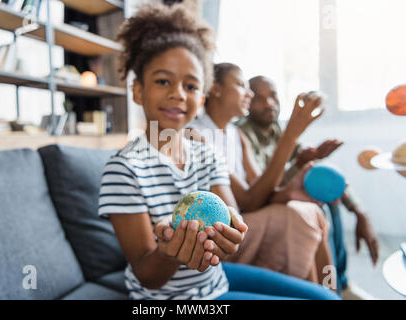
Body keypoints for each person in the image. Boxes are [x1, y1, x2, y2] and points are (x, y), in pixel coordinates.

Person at [98, 3, 339, 300]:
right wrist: (170, 252)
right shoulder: (124, 169)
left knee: (326, 297)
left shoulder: (206, 153)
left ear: (201, 100)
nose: (177, 93)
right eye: (163, 81)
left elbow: (232, 217)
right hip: (171, 300)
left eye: (191, 85)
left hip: (215, 281)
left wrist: (232, 236)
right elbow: (148, 275)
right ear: (137, 91)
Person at [188, 63, 334, 286]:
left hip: (248, 215)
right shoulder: (196, 134)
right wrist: (290, 136)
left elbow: (260, 189)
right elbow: (249, 200)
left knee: (310, 209)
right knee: (297, 217)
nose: (249, 94)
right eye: (240, 85)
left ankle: (330, 290)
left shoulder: (236, 134)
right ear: (215, 89)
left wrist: (289, 190)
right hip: (224, 230)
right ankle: (316, 290)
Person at [237, 75, 379, 298]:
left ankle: (341, 283)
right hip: (259, 207)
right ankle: (332, 287)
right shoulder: (242, 134)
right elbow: (263, 189)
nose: (269, 104)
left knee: (328, 197)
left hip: (281, 197)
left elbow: (313, 170)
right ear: (246, 101)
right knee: (316, 209)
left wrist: (360, 210)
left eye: (273, 95)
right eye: (259, 98)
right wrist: (298, 165)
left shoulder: (277, 130)